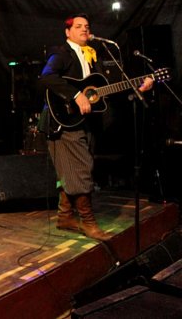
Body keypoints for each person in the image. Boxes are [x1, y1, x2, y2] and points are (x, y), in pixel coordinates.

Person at [38, 13, 153, 241]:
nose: (84, 29)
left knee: (74, 171)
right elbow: (46, 77)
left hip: (84, 123)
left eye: (87, 26)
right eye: (78, 26)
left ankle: (65, 216)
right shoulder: (60, 53)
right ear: (68, 32)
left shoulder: (93, 56)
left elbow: (104, 90)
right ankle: (88, 222)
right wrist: (76, 94)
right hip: (62, 121)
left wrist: (138, 87)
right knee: (82, 169)